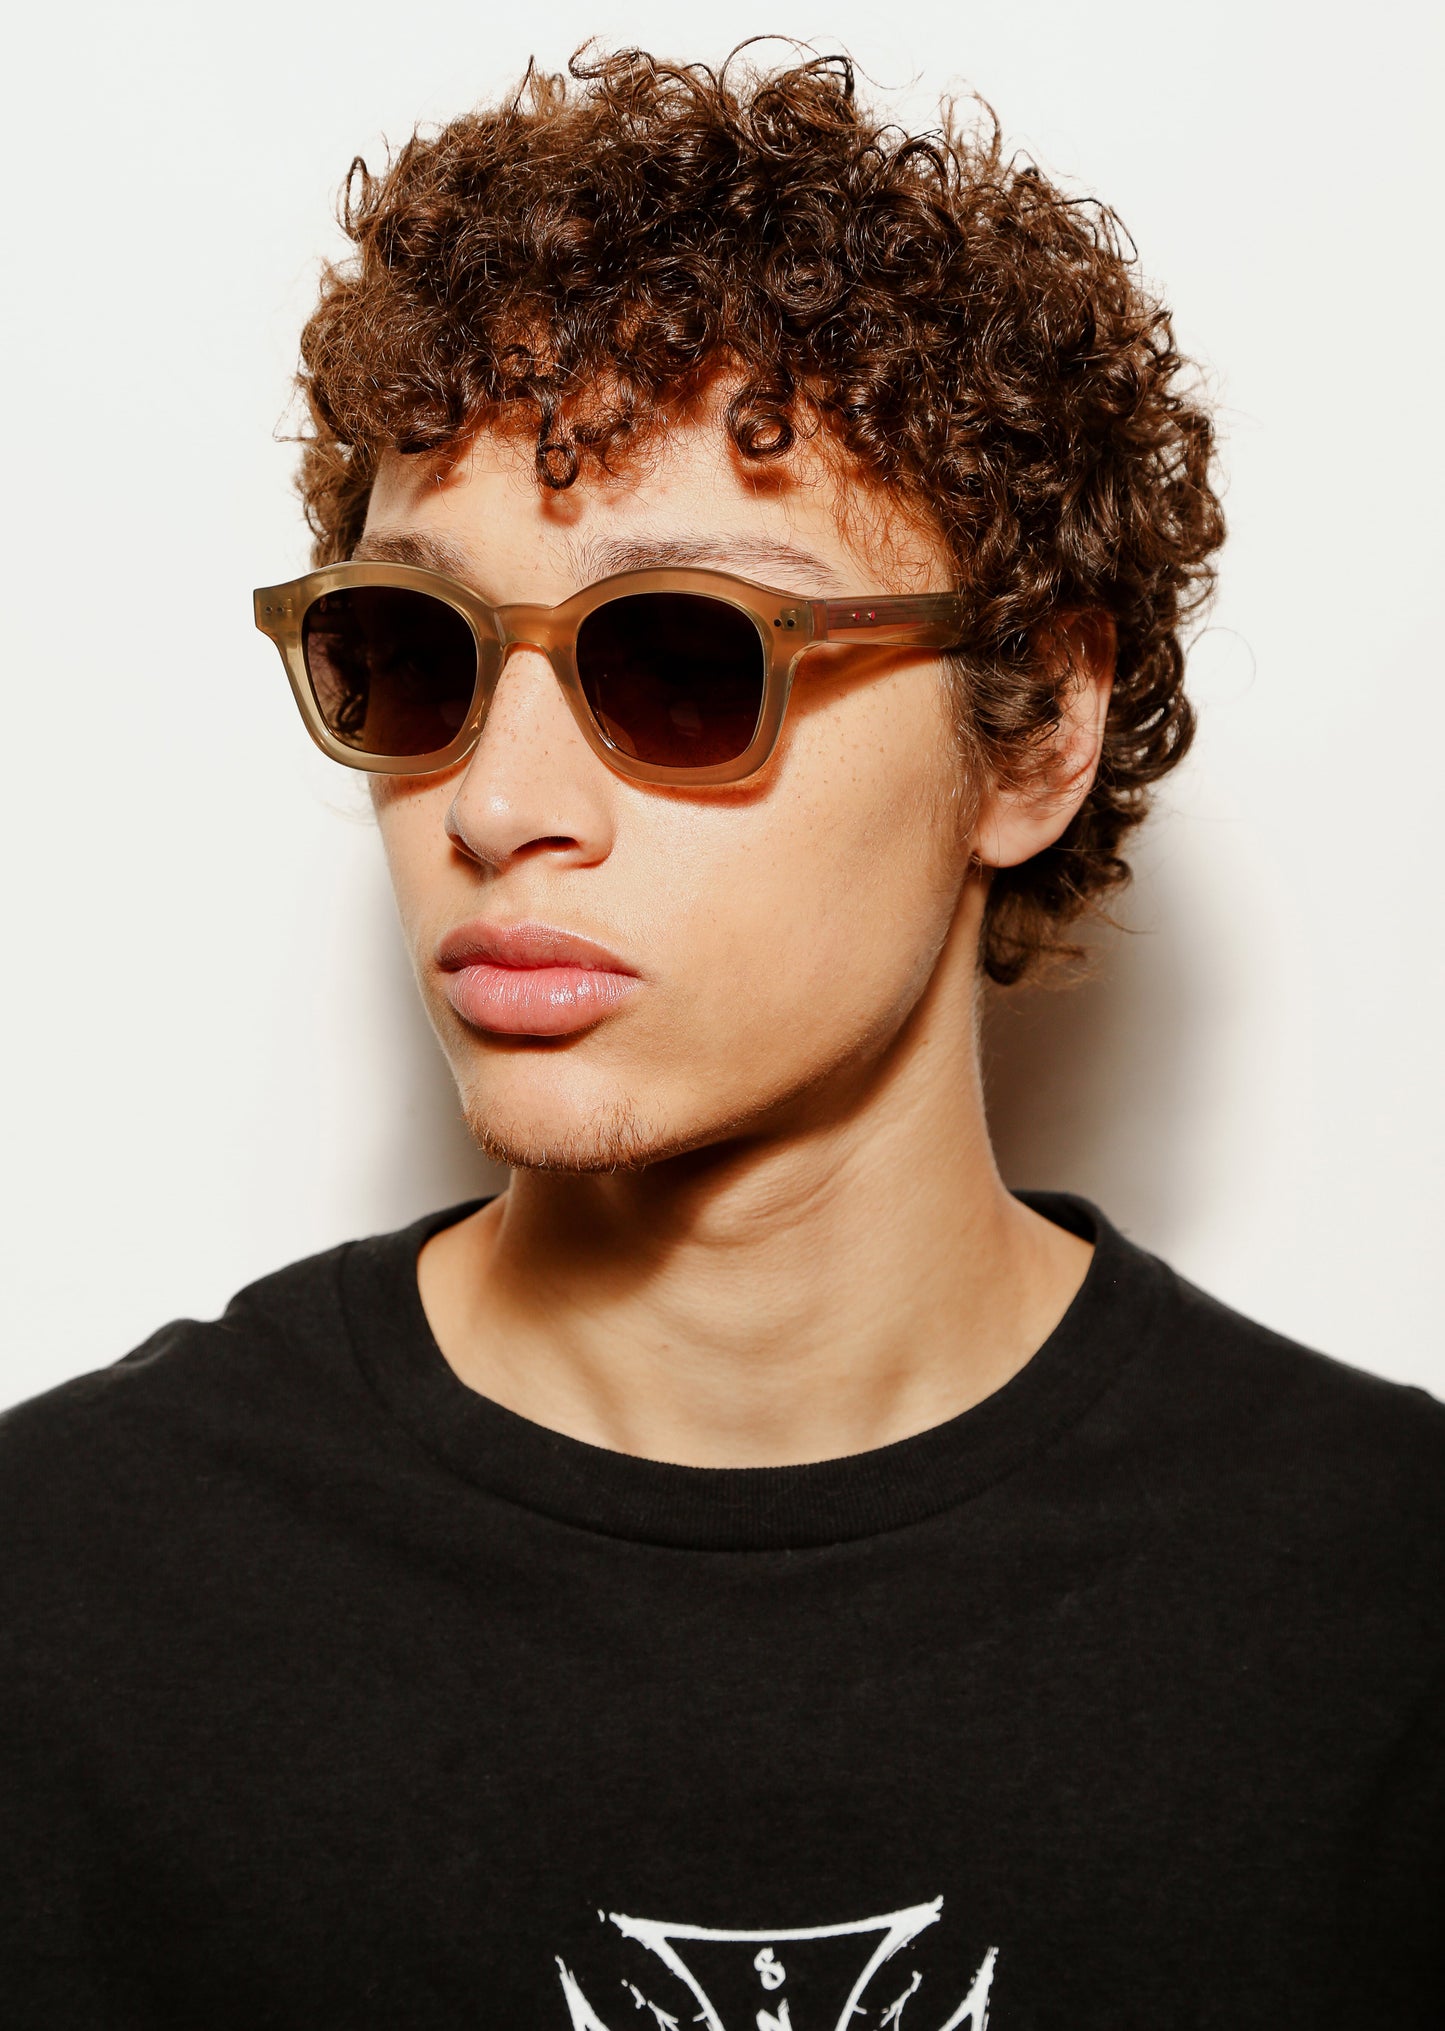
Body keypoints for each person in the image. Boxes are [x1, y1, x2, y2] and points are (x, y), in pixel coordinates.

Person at [1, 45, 1440, 2031]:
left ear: (1034, 728)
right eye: (411, 649)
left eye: (681, 655)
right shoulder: (68, 1600)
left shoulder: (1387, 1608)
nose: (497, 804)